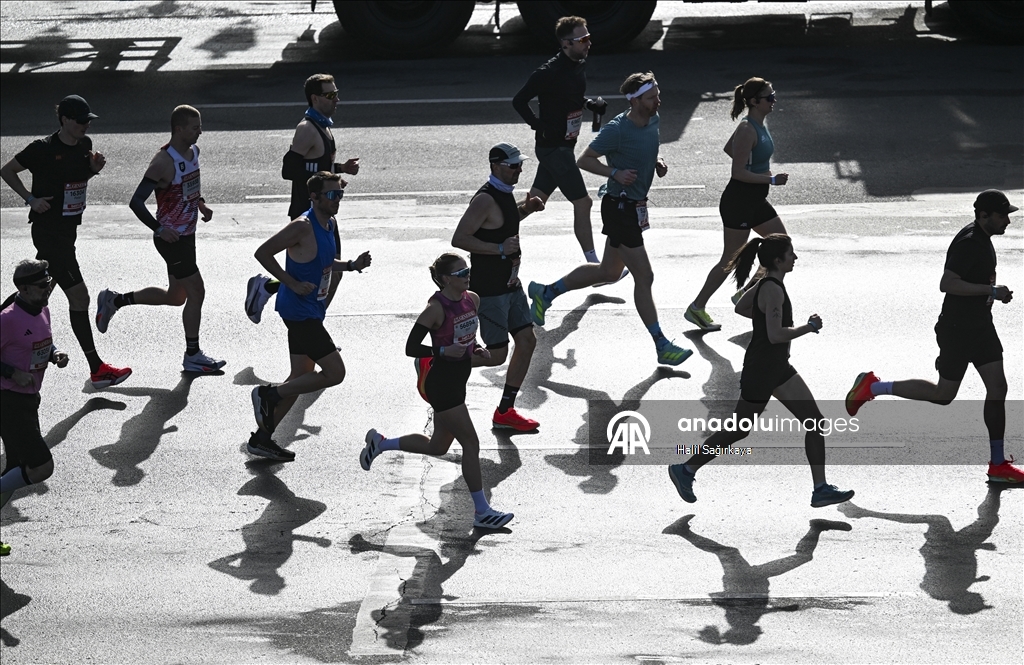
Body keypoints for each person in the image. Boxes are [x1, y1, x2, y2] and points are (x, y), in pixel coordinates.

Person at [846, 190, 1023, 484]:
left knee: (997, 387)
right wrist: (990, 291)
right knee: (944, 395)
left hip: (981, 327)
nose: (1008, 220)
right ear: (984, 216)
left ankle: (997, 464)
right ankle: (873, 386)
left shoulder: (983, 238)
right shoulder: (969, 243)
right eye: (1003, 215)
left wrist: (993, 295)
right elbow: (948, 283)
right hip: (958, 330)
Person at [668, 234, 854, 508]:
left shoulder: (766, 285)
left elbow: (741, 307)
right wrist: (809, 327)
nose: (795, 257)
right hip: (763, 369)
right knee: (737, 430)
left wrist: (764, 314)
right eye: (791, 253)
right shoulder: (773, 290)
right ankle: (685, 469)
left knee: (815, 422)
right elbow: (776, 335)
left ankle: (821, 489)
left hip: (777, 367)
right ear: (778, 260)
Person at [527, 72, 692, 367]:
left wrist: (656, 161)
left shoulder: (652, 119)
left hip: (633, 207)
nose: (658, 100)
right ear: (635, 100)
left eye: (657, 94)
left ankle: (545, 292)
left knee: (609, 272)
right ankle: (661, 345)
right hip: (620, 208)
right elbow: (584, 159)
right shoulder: (617, 129)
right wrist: (614, 173)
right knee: (645, 276)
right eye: (652, 97)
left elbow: (645, 147)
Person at [360, 253, 514, 529]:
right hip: (442, 383)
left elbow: (468, 334)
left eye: (467, 270)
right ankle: (482, 512)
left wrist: (476, 347)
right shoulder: (435, 309)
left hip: (458, 379)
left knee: (438, 446)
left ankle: (380, 443)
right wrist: (441, 351)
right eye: (460, 273)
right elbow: (411, 348)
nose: (467, 275)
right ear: (445, 279)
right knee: (471, 444)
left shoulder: (472, 299)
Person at [0, 95, 131, 389]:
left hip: (68, 230)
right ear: (65, 120)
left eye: (88, 120)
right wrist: (30, 199)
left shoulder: (85, 146)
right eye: (81, 121)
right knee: (80, 297)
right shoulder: (42, 149)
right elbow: (6, 171)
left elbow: (76, 180)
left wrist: (92, 170)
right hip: (49, 232)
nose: (86, 125)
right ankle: (97, 369)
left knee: (36, 291)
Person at [249, 171, 371, 461]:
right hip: (299, 312)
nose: (337, 199)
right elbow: (262, 253)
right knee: (335, 373)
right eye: (331, 195)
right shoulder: (302, 226)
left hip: (311, 310)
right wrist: (291, 283)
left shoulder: (329, 223)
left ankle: (262, 440)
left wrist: (351, 265)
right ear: (314, 197)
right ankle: (269, 394)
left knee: (301, 377)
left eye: (340, 194)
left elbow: (325, 262)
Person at [94, 105, 225, 373]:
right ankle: (193, 355)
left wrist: (200, 203)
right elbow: (136, 202)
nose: (200, 132)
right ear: (179, 129)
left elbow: (189, 186)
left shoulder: (194, 152)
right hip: (172, 240)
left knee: (176, 297)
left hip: (187, 235)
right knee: (197, 292)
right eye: (195, 127)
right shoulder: (163, 162)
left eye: (200, 126)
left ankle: (115, 300)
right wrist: (159, 229)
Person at [246, 73, 360, 323]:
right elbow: (289, 170)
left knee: (328, 271)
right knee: (325, 272)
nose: (337, 99)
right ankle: (308, 320)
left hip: (323, 210)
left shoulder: (323, 126)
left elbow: (317, 165)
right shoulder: (307, 129)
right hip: (307, 210)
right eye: (331, 95)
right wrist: (324, 181)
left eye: (337, 93)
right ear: (315, 98)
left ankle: (284, 299)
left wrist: (339, 169)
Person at [450, 143, 545, 431]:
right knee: (498, 355)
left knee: (527, 341)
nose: (519, 170)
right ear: (495, 166)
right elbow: (460, 238)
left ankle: (505, 411)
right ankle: (438, 363)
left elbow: (501, 223)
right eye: (513, 165)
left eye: (520, 165)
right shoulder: (484, 199)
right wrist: (500, 249)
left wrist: (526, 209)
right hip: (490, 290)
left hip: (511, 284)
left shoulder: (504, 193)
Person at [685, 77, 789, 332]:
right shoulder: (746, 129)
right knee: (729, 259)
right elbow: (738, 172)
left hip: (756, 200)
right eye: (769, 97)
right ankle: (697, 307)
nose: (774, 100)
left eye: (773, 95)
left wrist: (755, 167)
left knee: (780, 244)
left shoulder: (757, 124)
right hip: (739, 202)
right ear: (754, 101)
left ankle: (745, 293)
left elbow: (730, 148)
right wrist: (770, 179)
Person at [512, 15, 608, 265]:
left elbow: (568, 96)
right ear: (566, 43)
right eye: (583, 39)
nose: (588, 43)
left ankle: (492, 223)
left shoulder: (578, 64)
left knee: (535, 201)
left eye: (589, 37)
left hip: (564, 145)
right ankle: (594, 266)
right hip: (554, 149)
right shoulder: (548, 72)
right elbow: (519, 101)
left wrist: (589, 104)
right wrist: (538, 125)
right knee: (583, 203)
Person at [1, 260, 71, 557]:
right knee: (42, 466)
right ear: (24, 288)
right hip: (8, 401)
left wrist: (55, 353)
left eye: (49, 283)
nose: (48, 289)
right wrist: (11, 373)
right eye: (42, 286)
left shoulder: (42, 309)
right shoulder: (7, 319)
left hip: (29, 400)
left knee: (14, 471)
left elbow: (40, 342)